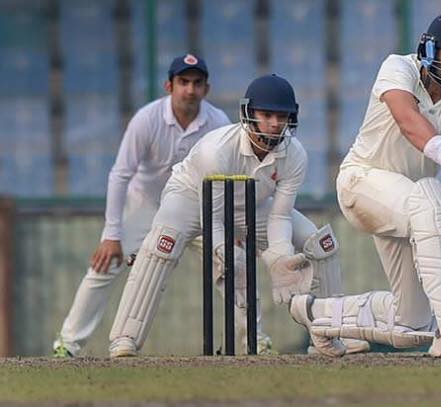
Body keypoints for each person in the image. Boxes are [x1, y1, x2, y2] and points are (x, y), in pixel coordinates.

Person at [288, 12, 441, 358]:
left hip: (409, 205)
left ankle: (316, 314)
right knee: (432, 197)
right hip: (362, 182)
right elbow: (408, 120)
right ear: (431, 50)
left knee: (412, 324)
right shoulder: (398, 67)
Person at [107, 74, 369, 357]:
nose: (275, 123)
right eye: (266, 115)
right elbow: (213, 219)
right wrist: (225, 252)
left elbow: (280, 216)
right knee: (163, 245)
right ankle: (125, 338)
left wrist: (279, 258)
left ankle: (330, 334)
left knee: (321, 244)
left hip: (249, 203)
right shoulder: (217, 150)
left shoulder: (295, 155)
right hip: (190, 197)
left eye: (282, 116)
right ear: (248, 113)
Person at [53, 54, 275, 357]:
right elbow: (121, 174)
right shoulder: (147, 119)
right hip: (146, 204)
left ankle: (256, 340)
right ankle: (68, 344)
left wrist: (231, 225)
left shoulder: (218, 122)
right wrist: (111, 234)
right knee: (105, 264)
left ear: (206, 89)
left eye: (197, 83)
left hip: (198, 206)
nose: (190, 90)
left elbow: (229, 177)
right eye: (183, 82)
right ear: (169, 86)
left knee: (233, 263)